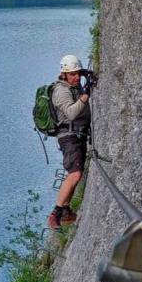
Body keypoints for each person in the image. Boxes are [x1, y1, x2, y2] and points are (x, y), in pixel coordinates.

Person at [47, 53, 91, 231]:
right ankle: (55, 214)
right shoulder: (61, 91)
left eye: (78, 73)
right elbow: (72, 113)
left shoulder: (73, 86)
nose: (76, 77)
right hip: (68, 137)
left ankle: (65, 212)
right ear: (63, 74)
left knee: (75, 173)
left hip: (77, 134)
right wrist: (85, 96)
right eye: (72, 74)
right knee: (75, 174)